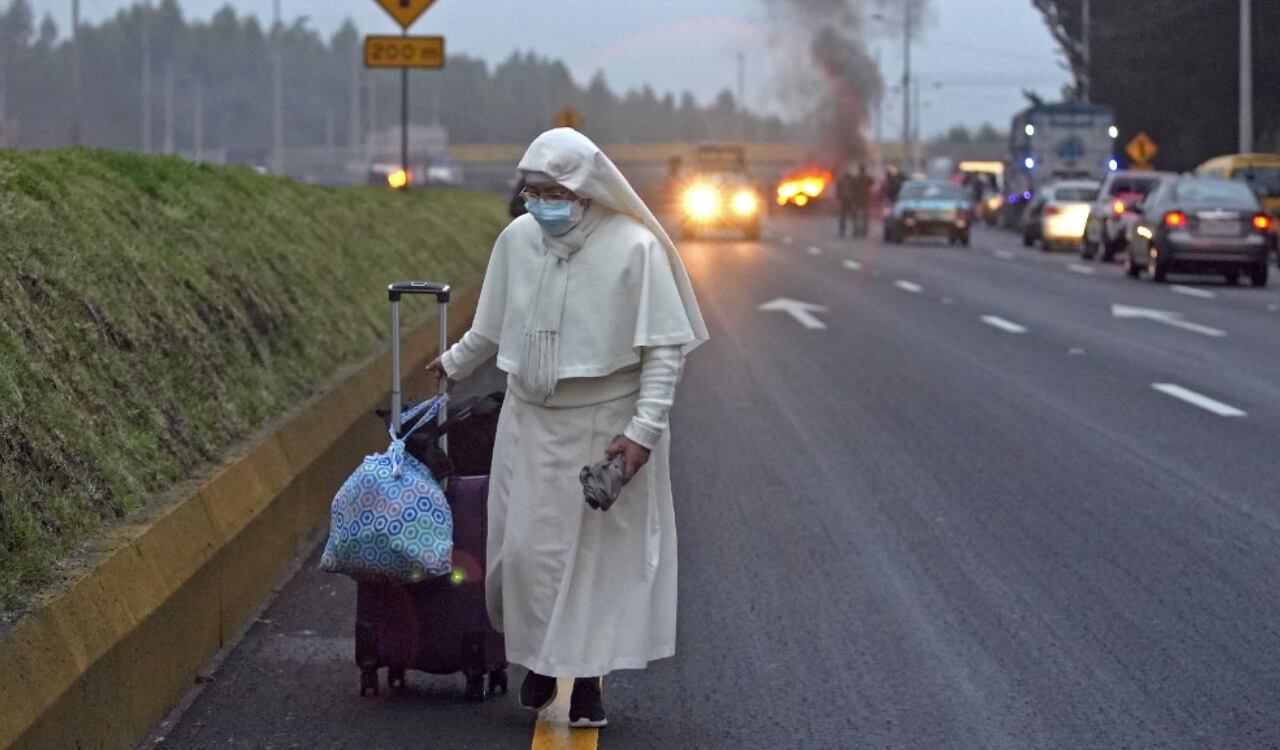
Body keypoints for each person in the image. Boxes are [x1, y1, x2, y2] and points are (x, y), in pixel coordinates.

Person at [426, 128, 708, 729]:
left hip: (606, 427)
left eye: (555, 191)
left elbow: (663, 353)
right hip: (529, 421)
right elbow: (493, 323)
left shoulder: (636, 248)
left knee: (595, 566)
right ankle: (542, 664)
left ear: (585, 190)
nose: (541, 203)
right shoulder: (517, 239)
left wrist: (641, 436)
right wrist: (455, 363)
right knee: (521, 555)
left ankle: (584, 686)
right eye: (532, 191)